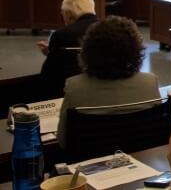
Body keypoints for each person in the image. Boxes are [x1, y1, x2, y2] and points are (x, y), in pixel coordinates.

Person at [57, 16, 160, 148]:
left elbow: (63, 141)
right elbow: (156, 136)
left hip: (90, 161)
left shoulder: (74, 87)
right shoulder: (150, 83)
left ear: (89, 50)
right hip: (141, 159)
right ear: (135, 50)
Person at [37, 0, 98, 99]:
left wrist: (51, 54)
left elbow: (49, 74)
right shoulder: (111, 29)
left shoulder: (62, 34)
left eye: (62, 13)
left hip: (72, 92)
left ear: (69, 14)